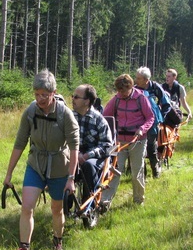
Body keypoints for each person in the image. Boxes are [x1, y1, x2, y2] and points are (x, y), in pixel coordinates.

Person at [3, 69, 79, 250]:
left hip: (59, 168)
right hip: (36, 165)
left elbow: (74, 147)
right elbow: (20, 142)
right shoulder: (30, 112)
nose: (40, 99)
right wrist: (9, 173)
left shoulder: (65, 114)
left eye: (44, 95)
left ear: (54, 92)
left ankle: (57, 242)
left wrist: (71, 178)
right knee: (26, 207)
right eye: (36, 94)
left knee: (56, 208)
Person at [102, 74, 155, 206]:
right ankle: (105, 202)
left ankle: (138, 200)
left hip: (137, 141)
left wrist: (142, 129)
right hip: (119, 141)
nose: (122, 93)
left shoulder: (141, 98)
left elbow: (150, 117)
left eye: (124, 90)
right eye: (119, 91)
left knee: (136, 172)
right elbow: (105, 117)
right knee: (113, 171)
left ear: (130, 87)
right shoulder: (116, 99)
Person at [71, 84, 113, 201]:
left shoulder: (99, 120)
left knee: (88, 165)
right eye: (73, 96)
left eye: (76, 97)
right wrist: (76, 154)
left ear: (87, 101)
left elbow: (106, 146)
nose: (72, 99)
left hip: (94, 158)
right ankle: (65, 204)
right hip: (74, 153)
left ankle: (89, 204)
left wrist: (86, 155)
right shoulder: (69, 117)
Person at [135, 66, 171, 178]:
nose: (136, 80)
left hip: (153, 124)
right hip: (138, 124)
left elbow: (166, 104)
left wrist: (160, 118)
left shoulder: (155, 87)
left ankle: (155, 170)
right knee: (140, 149)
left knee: (151, 148)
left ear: (146, 80)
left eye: (139, 78)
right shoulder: (135, 89)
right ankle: (142, 174)